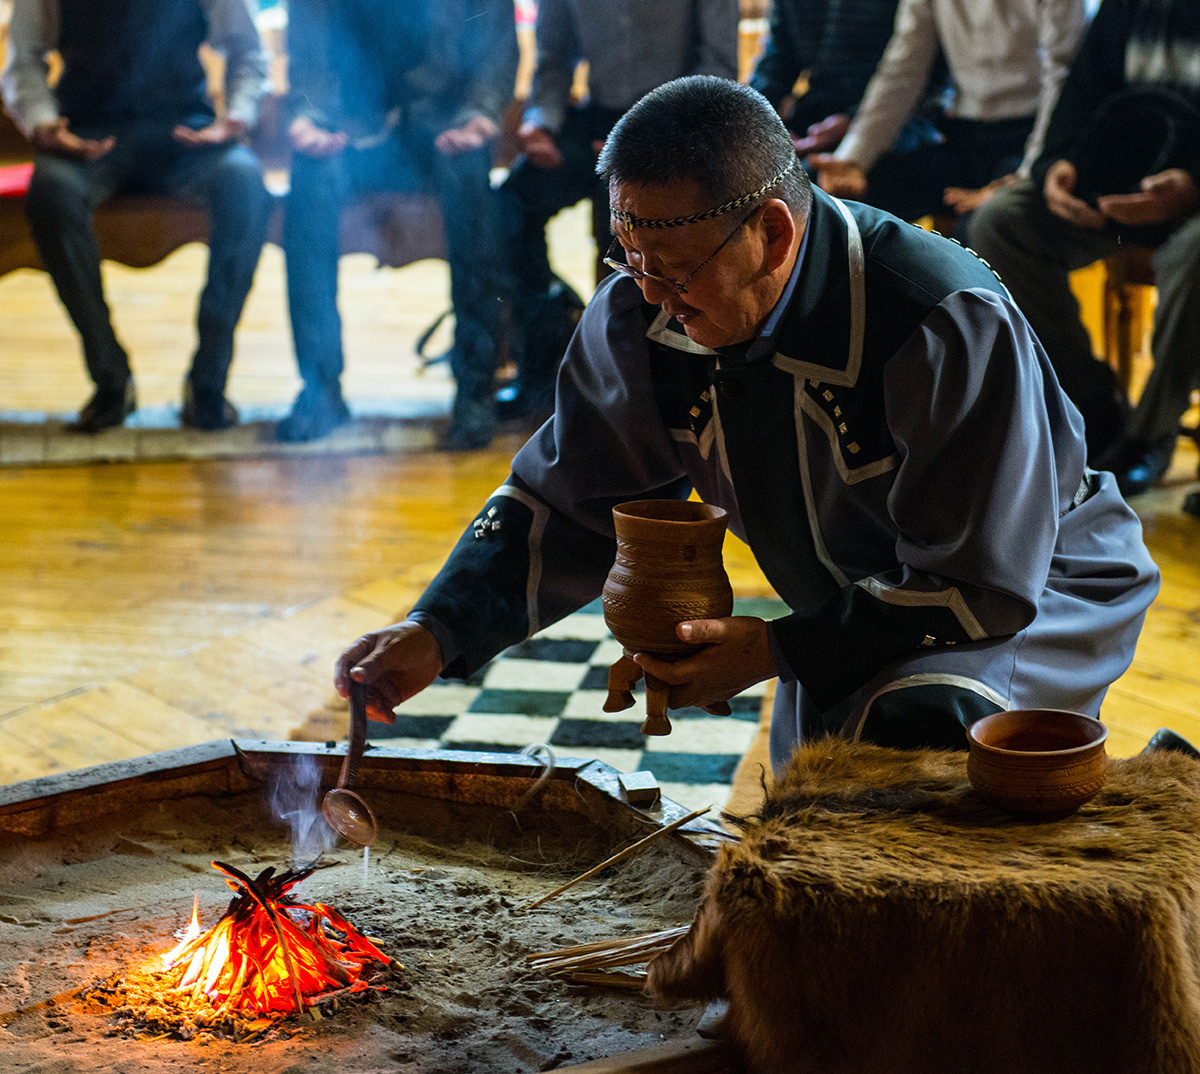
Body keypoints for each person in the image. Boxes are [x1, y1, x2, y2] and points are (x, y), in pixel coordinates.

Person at [334, 76, 1159, 767]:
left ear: (771, 232)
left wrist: (774, 650)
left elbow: (980, 584)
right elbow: (565, 501)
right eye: (628, 257)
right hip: (849, 604)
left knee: (911, 733)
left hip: (1034, 586)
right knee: (816, 801)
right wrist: (437, 628)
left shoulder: (937, 318)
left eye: (675, 269)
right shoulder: (643, 311)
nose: (649, 295)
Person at [0, 0, 272, 433]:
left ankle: (208, 381)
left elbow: (247, 49)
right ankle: (111, 379)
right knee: (51, 190)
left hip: (183, 133)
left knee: (244, 182)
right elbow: (24, 58)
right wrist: (43, 123)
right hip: (88, 137)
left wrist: (236, 117)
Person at [967, 0, 1200, 487]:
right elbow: (1080, 98)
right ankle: (1090, 408)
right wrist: (1058, 165)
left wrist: (1192, 187)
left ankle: (1148, 436)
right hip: (1116, 196)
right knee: (1001, 222)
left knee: (1194, 253)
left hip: (1190, 201)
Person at [279, 0, 518, 448]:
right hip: (349, 122)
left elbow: (495, 48)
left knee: (470, 181)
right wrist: (308, 116)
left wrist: (479, 113)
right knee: (310, 182)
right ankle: (320, 389)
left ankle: (475, 391)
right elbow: (308, 58)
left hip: (445, 121)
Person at [492, 0, 738, 425]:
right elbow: (553, 58)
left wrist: (642, 137)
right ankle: (549, 346)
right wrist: (542, 123)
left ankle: (636, 387)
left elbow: (717, 67)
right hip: (596, 118)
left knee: (626, 235)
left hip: (675, 121)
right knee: (510, 204)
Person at [808, 0, 1086, 232]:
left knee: (982, 226)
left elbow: (1062, 77)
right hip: (962, 136)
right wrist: (853, 158)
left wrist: (1025, 174)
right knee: (826, 200)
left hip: (1031, 136)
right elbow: (902, 70)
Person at [748, 0, 943, 160]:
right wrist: (755, 125)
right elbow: (776, 64)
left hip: (903, 121)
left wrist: (854, 124)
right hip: (817, 118)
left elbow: (926, 81)